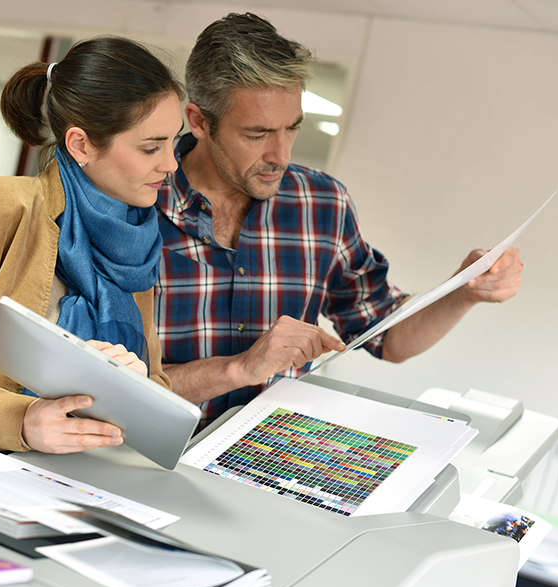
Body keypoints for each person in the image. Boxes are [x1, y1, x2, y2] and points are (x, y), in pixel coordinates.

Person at [154, 13, 524, 428]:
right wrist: (238, 368)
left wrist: (465, 289)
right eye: (257, 135)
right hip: (147, 461)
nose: (281, 155)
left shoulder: (322, 203)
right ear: (200, 120)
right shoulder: (138, 203)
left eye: (291, 128)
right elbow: (109, 379)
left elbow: (388, 335)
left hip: (271, 458)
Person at [0, 36, 184, 454]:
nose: (171, 163)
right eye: (151, 147)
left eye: (174, 141)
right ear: (80, 144)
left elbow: (155, 386)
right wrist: (21, 421)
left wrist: (132, 388)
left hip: (85, 490)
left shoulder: (137, 242)